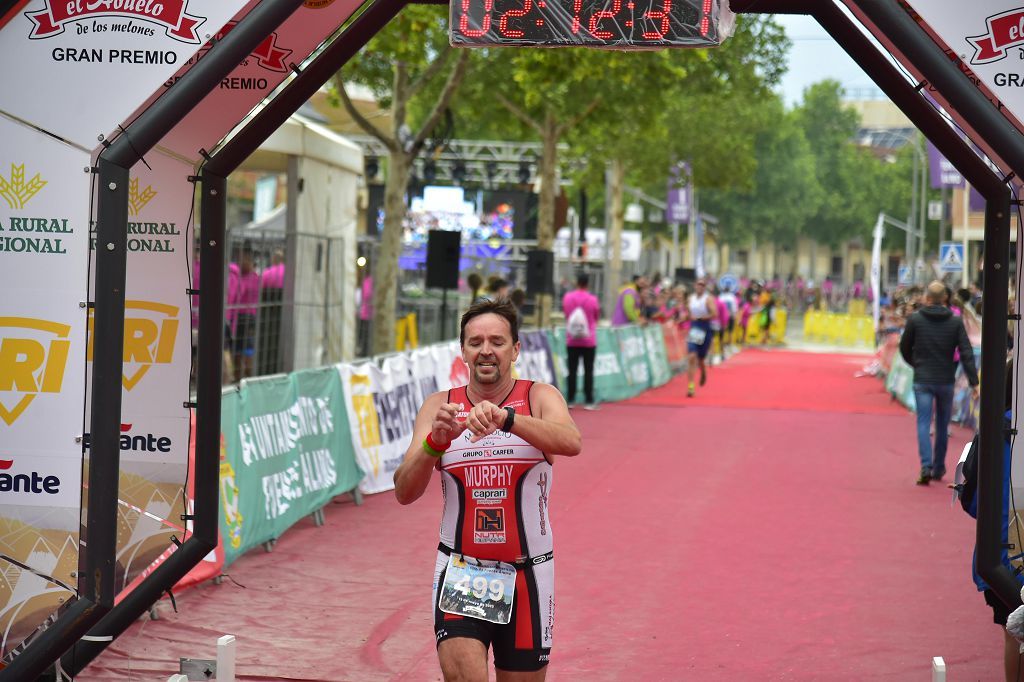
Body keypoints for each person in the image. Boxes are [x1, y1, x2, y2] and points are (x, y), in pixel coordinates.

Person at [394, 298, 581, 681]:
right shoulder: (439, 407)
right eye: (475, 341)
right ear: (462, 350)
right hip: (462, 572)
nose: (486, 350)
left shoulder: (538, 397)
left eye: (497, 341)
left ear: (515, 349)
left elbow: (570, 441)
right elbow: (404, 491)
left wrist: (508, 419)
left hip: (528, 574)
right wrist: (434, 443)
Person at [899, 280, 980, 485]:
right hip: (945, 379)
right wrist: (974, 381)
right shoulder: (955, 322)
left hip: (923, 379)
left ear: (927, 298)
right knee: (943, 424)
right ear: (945, 298)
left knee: (924, 422)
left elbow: (904, 347)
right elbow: (966, 352)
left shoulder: (915, 320)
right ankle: (938, 466)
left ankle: (925, 465)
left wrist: (916, 364)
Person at [562, 272, 600, 410]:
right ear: (588, 284)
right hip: (589, 340)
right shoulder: (592, 299)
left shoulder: (568, 298)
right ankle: (589, 400)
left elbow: (566, 315)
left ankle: (570, 399)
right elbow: (596, 317)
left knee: (572, 370)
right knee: (588, 370)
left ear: (577, 282)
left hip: (572, 340)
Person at [686, 278, 717, 398]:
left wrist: (702, 317)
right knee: (691, 356)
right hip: (694, 329)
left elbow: (715, 314)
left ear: (705, 287)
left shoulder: (708, 299)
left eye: (702, 285)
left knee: (700, 358)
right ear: (695, 285)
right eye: (698, 284)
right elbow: (688, 313)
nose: (700, 287)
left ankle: (703, 370)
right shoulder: (690, 298)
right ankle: (690, 386)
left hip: (705, 328)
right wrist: (688, 317)